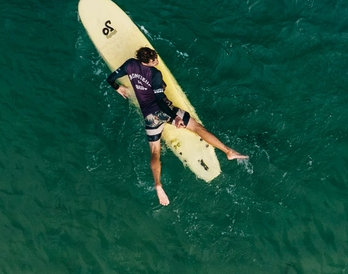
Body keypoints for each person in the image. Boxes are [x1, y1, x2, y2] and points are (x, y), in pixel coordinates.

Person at [106, 46, 247, 206]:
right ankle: (228, 151)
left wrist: (118, 88)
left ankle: (158, 184)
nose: (157, 61)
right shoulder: (154, 74)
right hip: (163, 111)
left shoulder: (130, 64)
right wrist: (174, 117)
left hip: (149, 117)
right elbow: (159, 100)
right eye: (154, 60)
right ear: (148, 62)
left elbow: (110, 78)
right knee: (198, 128)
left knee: (154, 152)